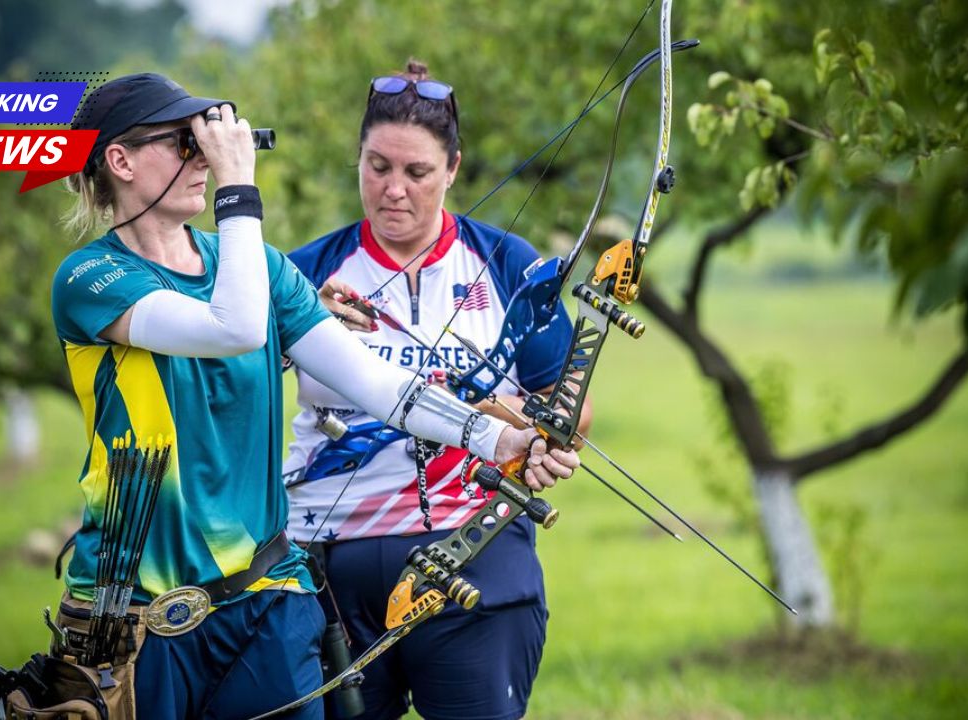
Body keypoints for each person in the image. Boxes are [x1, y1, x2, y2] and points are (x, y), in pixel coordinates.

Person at [50, 72, 579, 720]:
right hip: (137, 605)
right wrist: (238, 188)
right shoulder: (91, 278)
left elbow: (380, 385)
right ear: (120, 160)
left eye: (204, 143)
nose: (203, 158)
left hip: (265, 595)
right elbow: (235, 326)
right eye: (183, 142)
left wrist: (500, 437)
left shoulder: (261, 267)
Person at [284, 60, 592, 720]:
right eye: (377, 167)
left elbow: (568, 399)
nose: (393, 189)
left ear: (453, 168)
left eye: (416, 172)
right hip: (327, 573)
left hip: (473, 551)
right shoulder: (306, 272)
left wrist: (542, 437)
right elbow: (230, 384)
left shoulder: (505, 261)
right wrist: (301, 315)